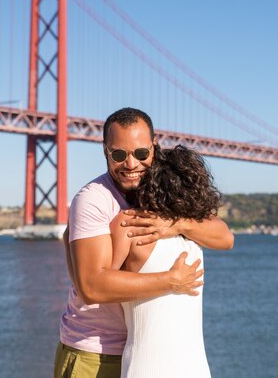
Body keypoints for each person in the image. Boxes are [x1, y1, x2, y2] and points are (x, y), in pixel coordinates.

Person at [54, 108, 234, 378]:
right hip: (95, 353)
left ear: (154, 147)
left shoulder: (168, 194)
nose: (130, 164)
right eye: (118, 154)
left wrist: (176, 224)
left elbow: (225, 237)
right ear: (105, 151)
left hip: (157, 354)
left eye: (140, 153)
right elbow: (91, 288)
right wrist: (171, 280)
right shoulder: (95, 200)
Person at [110, 145, 222, 378]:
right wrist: (169, 281)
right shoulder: (192, 232)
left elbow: (227, 238)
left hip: (160, 366)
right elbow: (101, 286)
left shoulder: (185, 226)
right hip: (189, 368)